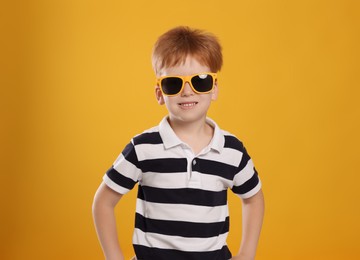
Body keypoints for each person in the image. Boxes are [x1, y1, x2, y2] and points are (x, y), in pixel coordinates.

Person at [92, 26, 265, 260]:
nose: (186, 91)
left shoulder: (232, 150)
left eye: (200, 81)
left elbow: (253, 198)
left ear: (214, 89)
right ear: (159, 93)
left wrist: (247, 254)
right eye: (173, 83)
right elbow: (103, 202)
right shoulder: (143, 148)